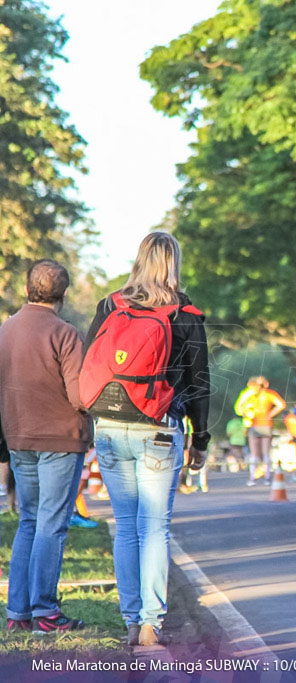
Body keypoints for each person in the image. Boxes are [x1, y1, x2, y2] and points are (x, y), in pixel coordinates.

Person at [81, 232, 209, 647]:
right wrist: (200, 439)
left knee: (126, 528)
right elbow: (199, 384)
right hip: (159, 429)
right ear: (174, 262)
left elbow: (89, 364)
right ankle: (153, 623)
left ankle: (131, 619)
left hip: (111, 429)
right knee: (155, 528)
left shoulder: (110, 306)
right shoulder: (185, 314)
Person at [0, 259, 92, 633]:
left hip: (19, 436)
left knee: (29, 522)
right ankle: (47, 612)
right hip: (60, 439)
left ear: (27, 289)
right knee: (52, 526)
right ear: (64, 294)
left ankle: (17, 613)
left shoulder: (4, 331)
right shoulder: (65, 333)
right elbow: (79, 395)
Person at [236, 377, 286, 485]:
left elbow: (239, 408)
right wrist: (270, 414)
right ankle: (266, 477)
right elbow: (281, 405)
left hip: (254, 424)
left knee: (254, 452)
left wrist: (246, 414)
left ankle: (252, 477)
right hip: (265, 424)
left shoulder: (249, 394)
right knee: (265, 452)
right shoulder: (269, 394)